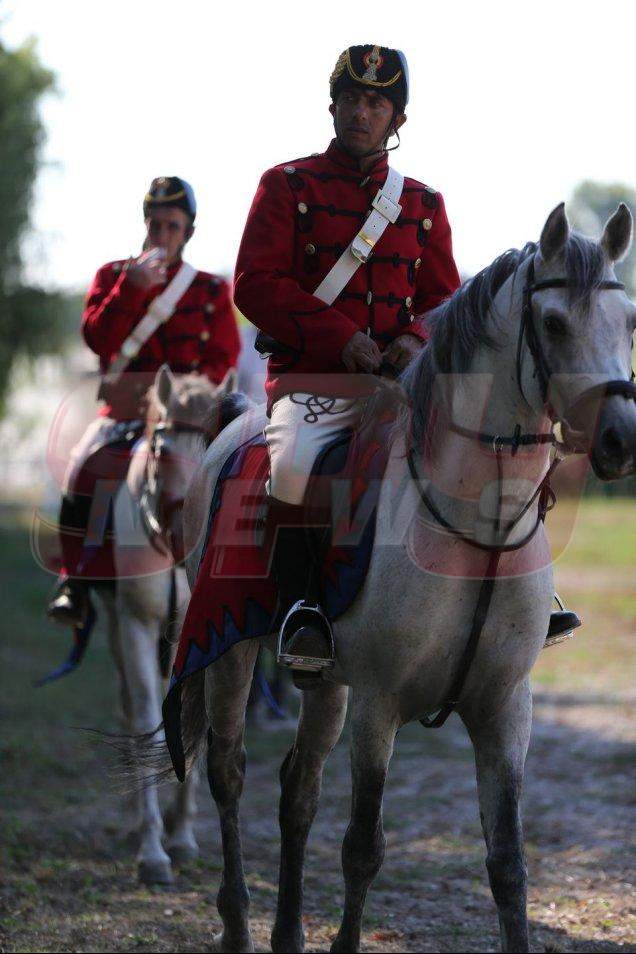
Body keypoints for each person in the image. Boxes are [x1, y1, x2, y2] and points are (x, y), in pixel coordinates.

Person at [234, 45, 462, 672]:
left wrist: (415, 335)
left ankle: (505, 599)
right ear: (332, 106)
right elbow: (254, 283)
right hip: (312, 382)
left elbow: (444, 296)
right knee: (295, 468)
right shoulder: (286, 184)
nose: (361, 112)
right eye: (351, 99)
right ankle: (302, 609)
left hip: (400, 387)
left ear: (397, 119)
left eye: (376, 102)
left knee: (483, 452)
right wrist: (339, 336)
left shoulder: (423, 204)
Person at [47, 176, 241, 624]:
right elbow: (98, 339)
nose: (163, 235)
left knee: (240, 478)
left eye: (173, 226)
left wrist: (189, 401)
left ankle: (242, 583)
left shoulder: (211, 290)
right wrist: (130, 290)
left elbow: (222, 358)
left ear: (188, 231)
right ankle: (74, 580)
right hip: (125, 414)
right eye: (155, 225)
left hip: (185, 420)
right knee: (81, 471)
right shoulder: (113, 277)